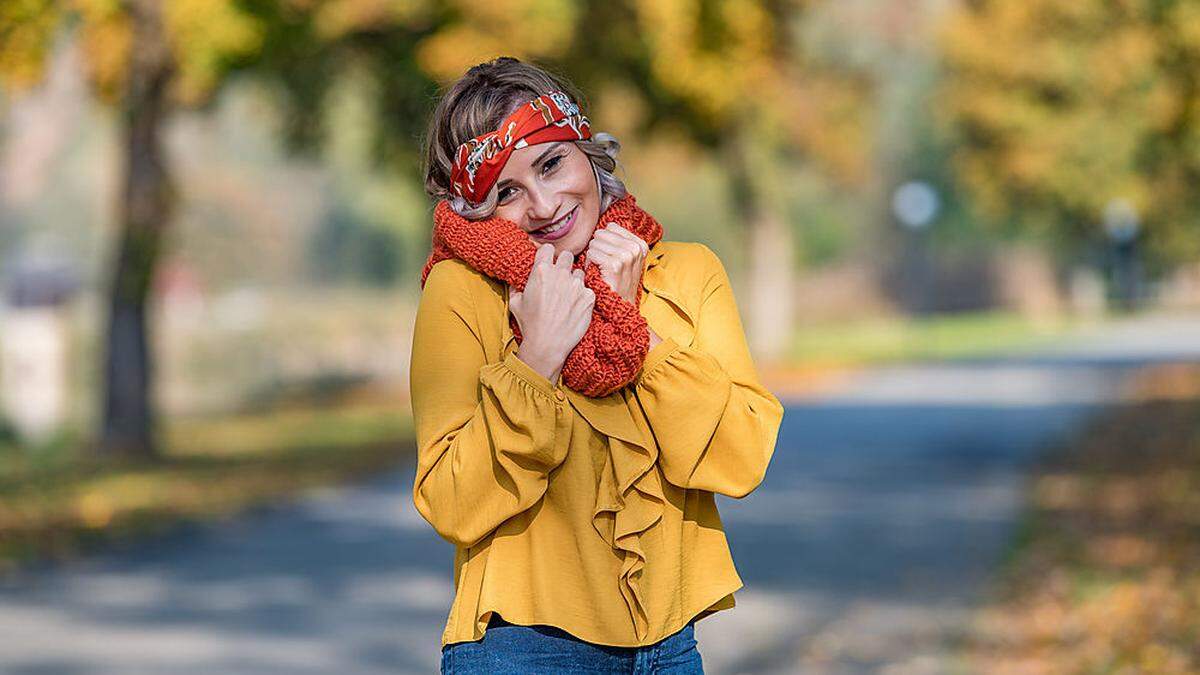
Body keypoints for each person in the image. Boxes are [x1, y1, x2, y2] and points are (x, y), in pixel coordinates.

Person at [410, 56, 785, 674]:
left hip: (670, 649)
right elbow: (450, 503)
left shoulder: (686, 273)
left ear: (586, 149)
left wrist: (636, 325)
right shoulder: (463, 291)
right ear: (477, 210)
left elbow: (741, 459)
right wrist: (536, 361)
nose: (545, 204)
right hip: (518, 647)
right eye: (507, 191)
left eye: (551, 163)